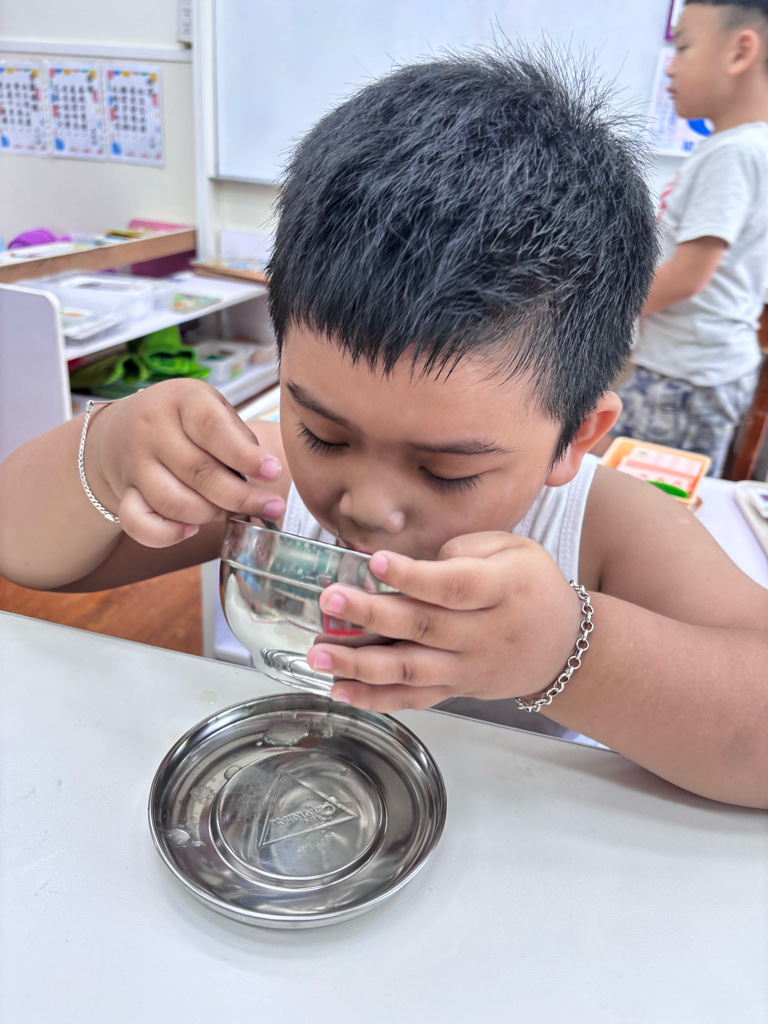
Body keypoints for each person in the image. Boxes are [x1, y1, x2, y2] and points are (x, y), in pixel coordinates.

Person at [1, 48, 767, 809]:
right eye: (324, 434)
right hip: (289, 804)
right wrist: (106, 454)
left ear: (575, 437)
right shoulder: (264, 483)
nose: (366, 506)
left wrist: (567, 650)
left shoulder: (603, 529)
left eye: (446, 470)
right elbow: (23, 551)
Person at [610, 0, 768, 476]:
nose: (670, 66)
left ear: (740, 52)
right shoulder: (741, 148)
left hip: (686, 374)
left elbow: (687, 276)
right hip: (694, 367)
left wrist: (599, 306)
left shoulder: (733, 155)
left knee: (647, 492)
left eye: (683, 47)